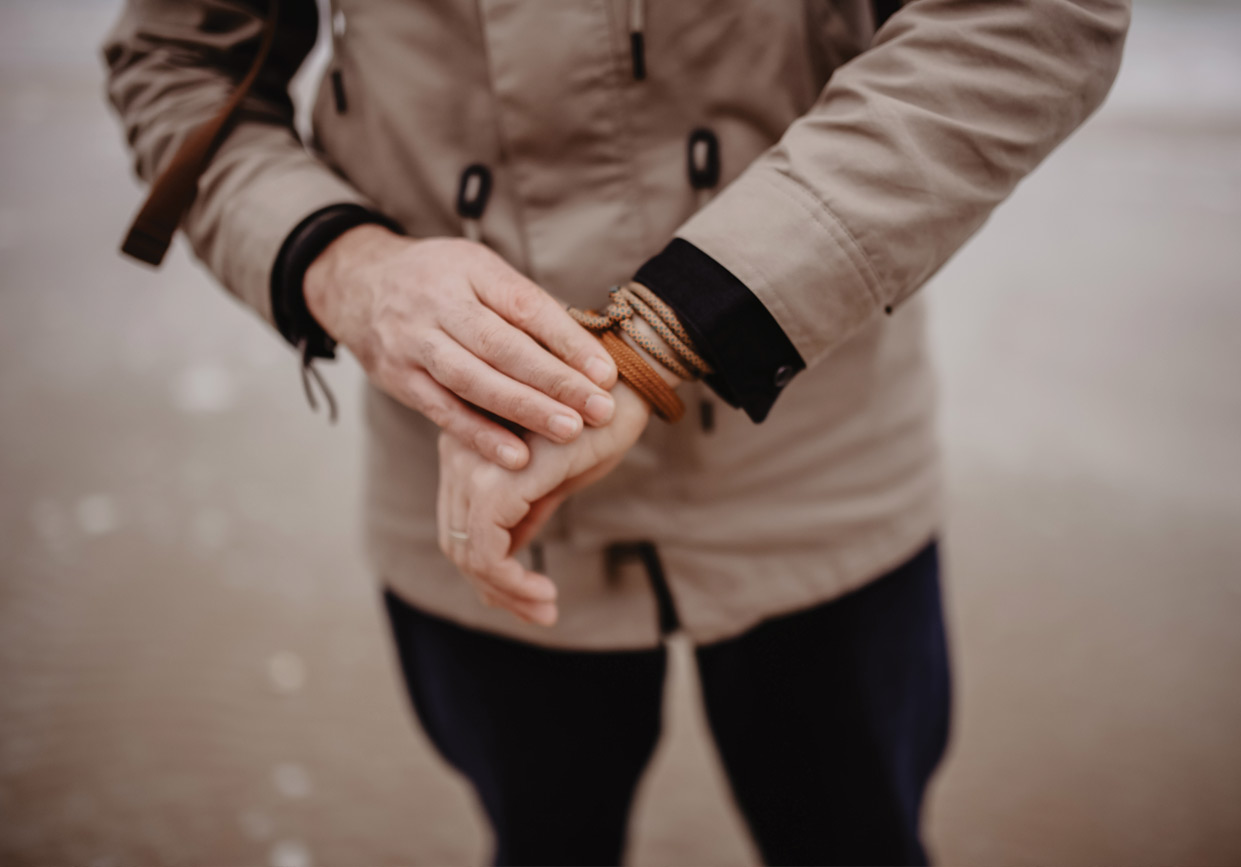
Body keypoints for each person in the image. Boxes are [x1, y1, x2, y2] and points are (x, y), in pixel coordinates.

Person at [104, 0, 1129, 863]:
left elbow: (1024, 18)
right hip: (469, 482)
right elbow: (175, 58)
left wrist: (665, 334)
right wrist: (346, 268)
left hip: (817, 458)